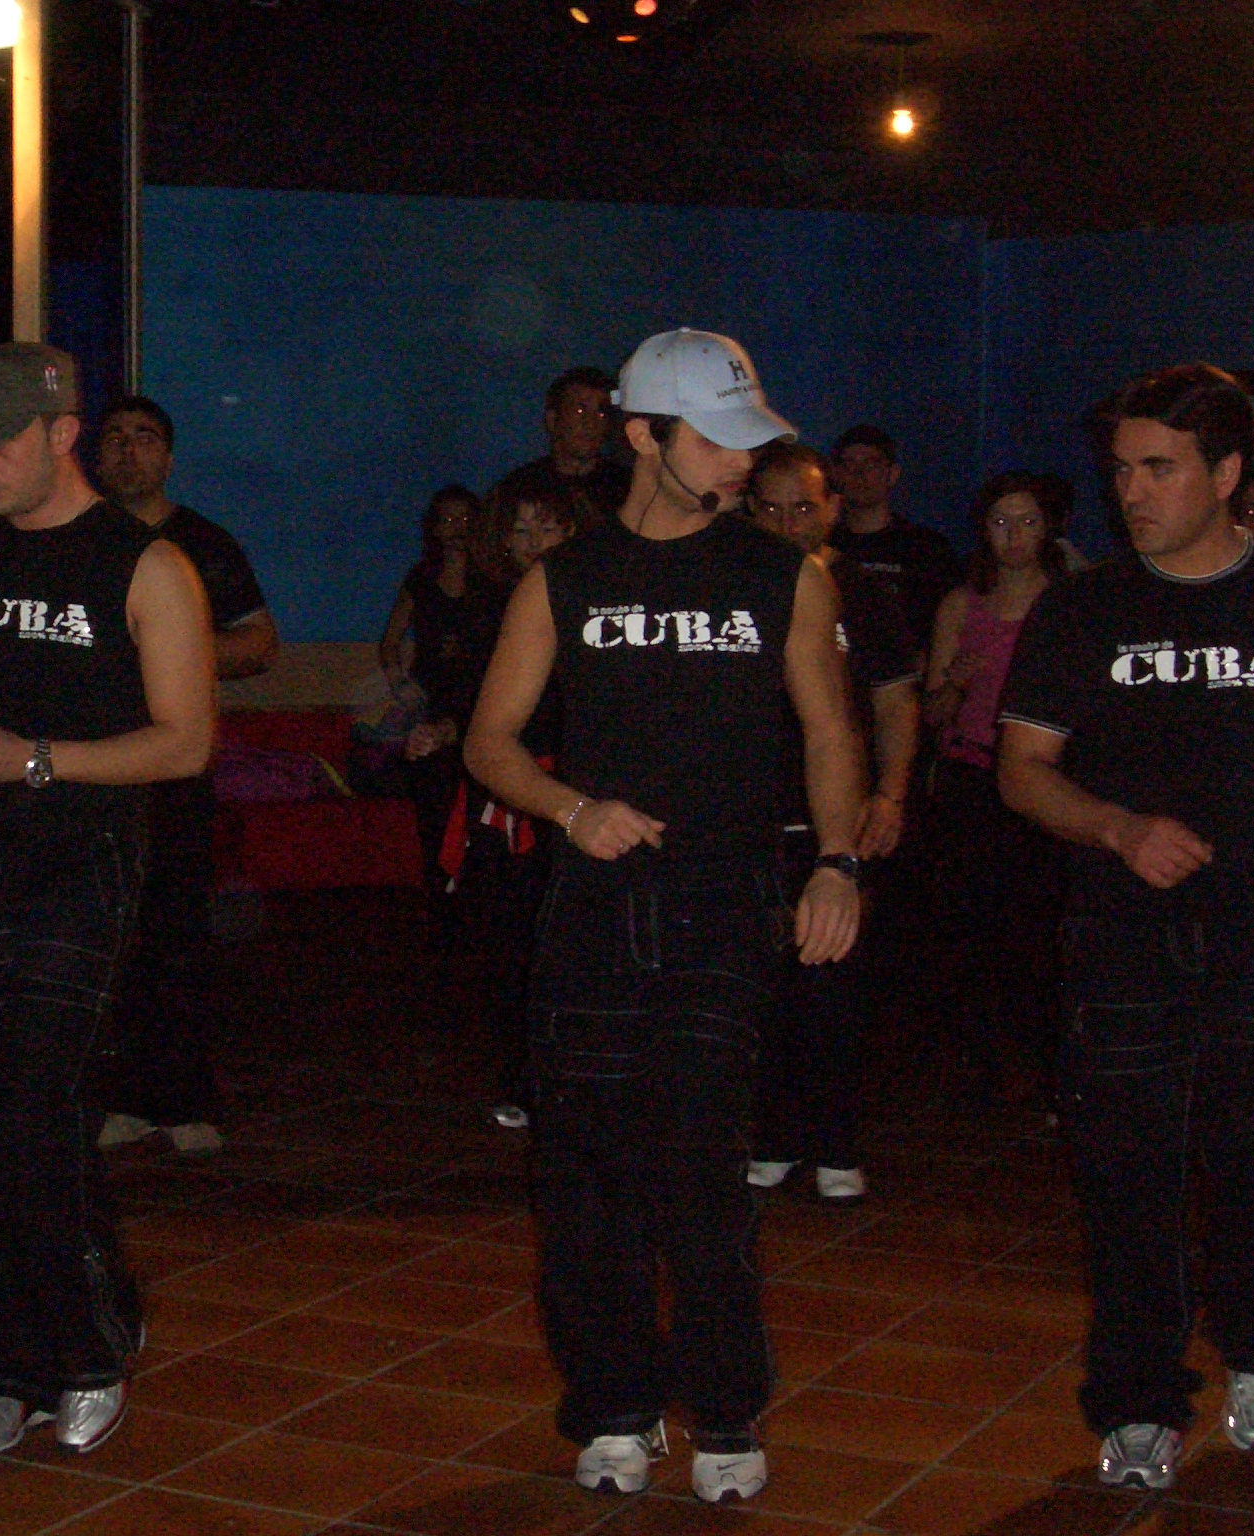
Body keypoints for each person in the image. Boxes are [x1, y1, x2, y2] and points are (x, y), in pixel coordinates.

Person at [465, 329, 864, 1507]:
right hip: (593, 909)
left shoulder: (783, 576)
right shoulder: (564, 579)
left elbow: (830, 729)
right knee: (583, 1173)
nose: (742, 463)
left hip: (723, 902)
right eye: (718, 440)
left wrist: (835, 862)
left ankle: (726, 1407)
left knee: (699, 1164)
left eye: (749, 440)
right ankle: (611, 1408)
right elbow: (489, 742)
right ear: (642, 436)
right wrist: (568, 808)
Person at [998, 364, 1254, 1492]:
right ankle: (1136, 1399)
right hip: (1123, 931)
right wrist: (1117, 828)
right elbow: (1022, 770)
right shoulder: (1081, 608)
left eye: (1157, 468)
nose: (1130, 491)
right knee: (1127, 1170)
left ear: (1224, 474)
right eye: (1120, 469)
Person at [0, 343, 214, 1458]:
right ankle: (4, 1367)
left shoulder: (146, 567)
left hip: (84, 862)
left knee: (35, 1105)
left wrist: (38, 760)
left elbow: (185, 742)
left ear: (61, 432)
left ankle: (87, 1348)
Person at [94, 394, 278, 1157]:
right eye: (116, 437)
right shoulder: (79, 538)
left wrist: (176, 652)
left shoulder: (203, 543)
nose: (129, 450)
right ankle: (114, 1097)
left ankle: (182, 1098)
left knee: (175, 934)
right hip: (93, 766)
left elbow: (259, 642)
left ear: (168, 457)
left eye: (145, 438)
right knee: (104, 935)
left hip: (175, 767)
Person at [744, 440, 919, 1202]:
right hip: (754, 817)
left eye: (803, 509)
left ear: (833, 508)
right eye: (772, 509)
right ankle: (774, 1137)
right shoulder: (736, 585)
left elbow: (894, 701)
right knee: (763, 989)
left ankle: (836, 1142)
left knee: (833, 987)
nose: (789, 524)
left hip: (837, 820)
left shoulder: (863, 591)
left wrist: (890, 795)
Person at [919, 472, 1068, 1103]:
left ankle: (1043, 1061)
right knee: (970, 923)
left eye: (1027, 522)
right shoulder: (963, 605)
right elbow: (930, 713)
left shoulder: (1068, 601)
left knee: (1038, 923)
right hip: (972, 775)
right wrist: (956, 681)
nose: (1014, 536)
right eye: (1001, 523)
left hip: (1045, 779)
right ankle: (978, 1061)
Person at [452, 483, 584, 1130]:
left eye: (547, 528)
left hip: (578, 789)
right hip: (509, 793)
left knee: (574, 939)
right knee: (513, 940)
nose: (533, 543)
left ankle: (575, 1077)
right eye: (521, 530)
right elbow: (472, 703)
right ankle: (525, 1079)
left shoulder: (593, 604)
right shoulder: (491, 608)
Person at [379, 486, 507, 914]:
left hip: (479, 701)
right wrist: (398, 683)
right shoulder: (421, 578)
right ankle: (439, 895)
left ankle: (478, 893)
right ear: (433, 528)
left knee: (479, 799)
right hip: (430, 702)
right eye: (448, 520)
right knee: (433, 802)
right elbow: (391, 641)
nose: (457, 529)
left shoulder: (493, 580)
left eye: (465, 520)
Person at [828, 424, 964, 657]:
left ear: (892, 474)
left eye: (871, 465)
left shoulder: (926, 549)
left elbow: (950, 626)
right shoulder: (823, 546)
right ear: (836, 474)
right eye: (849, 465)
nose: (859, 474)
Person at [489, 366, 632, 532]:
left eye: (601, 414)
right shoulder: (520, 489)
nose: (591, 423)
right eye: (580, 411)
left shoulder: (626, 488)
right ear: (553, 420)